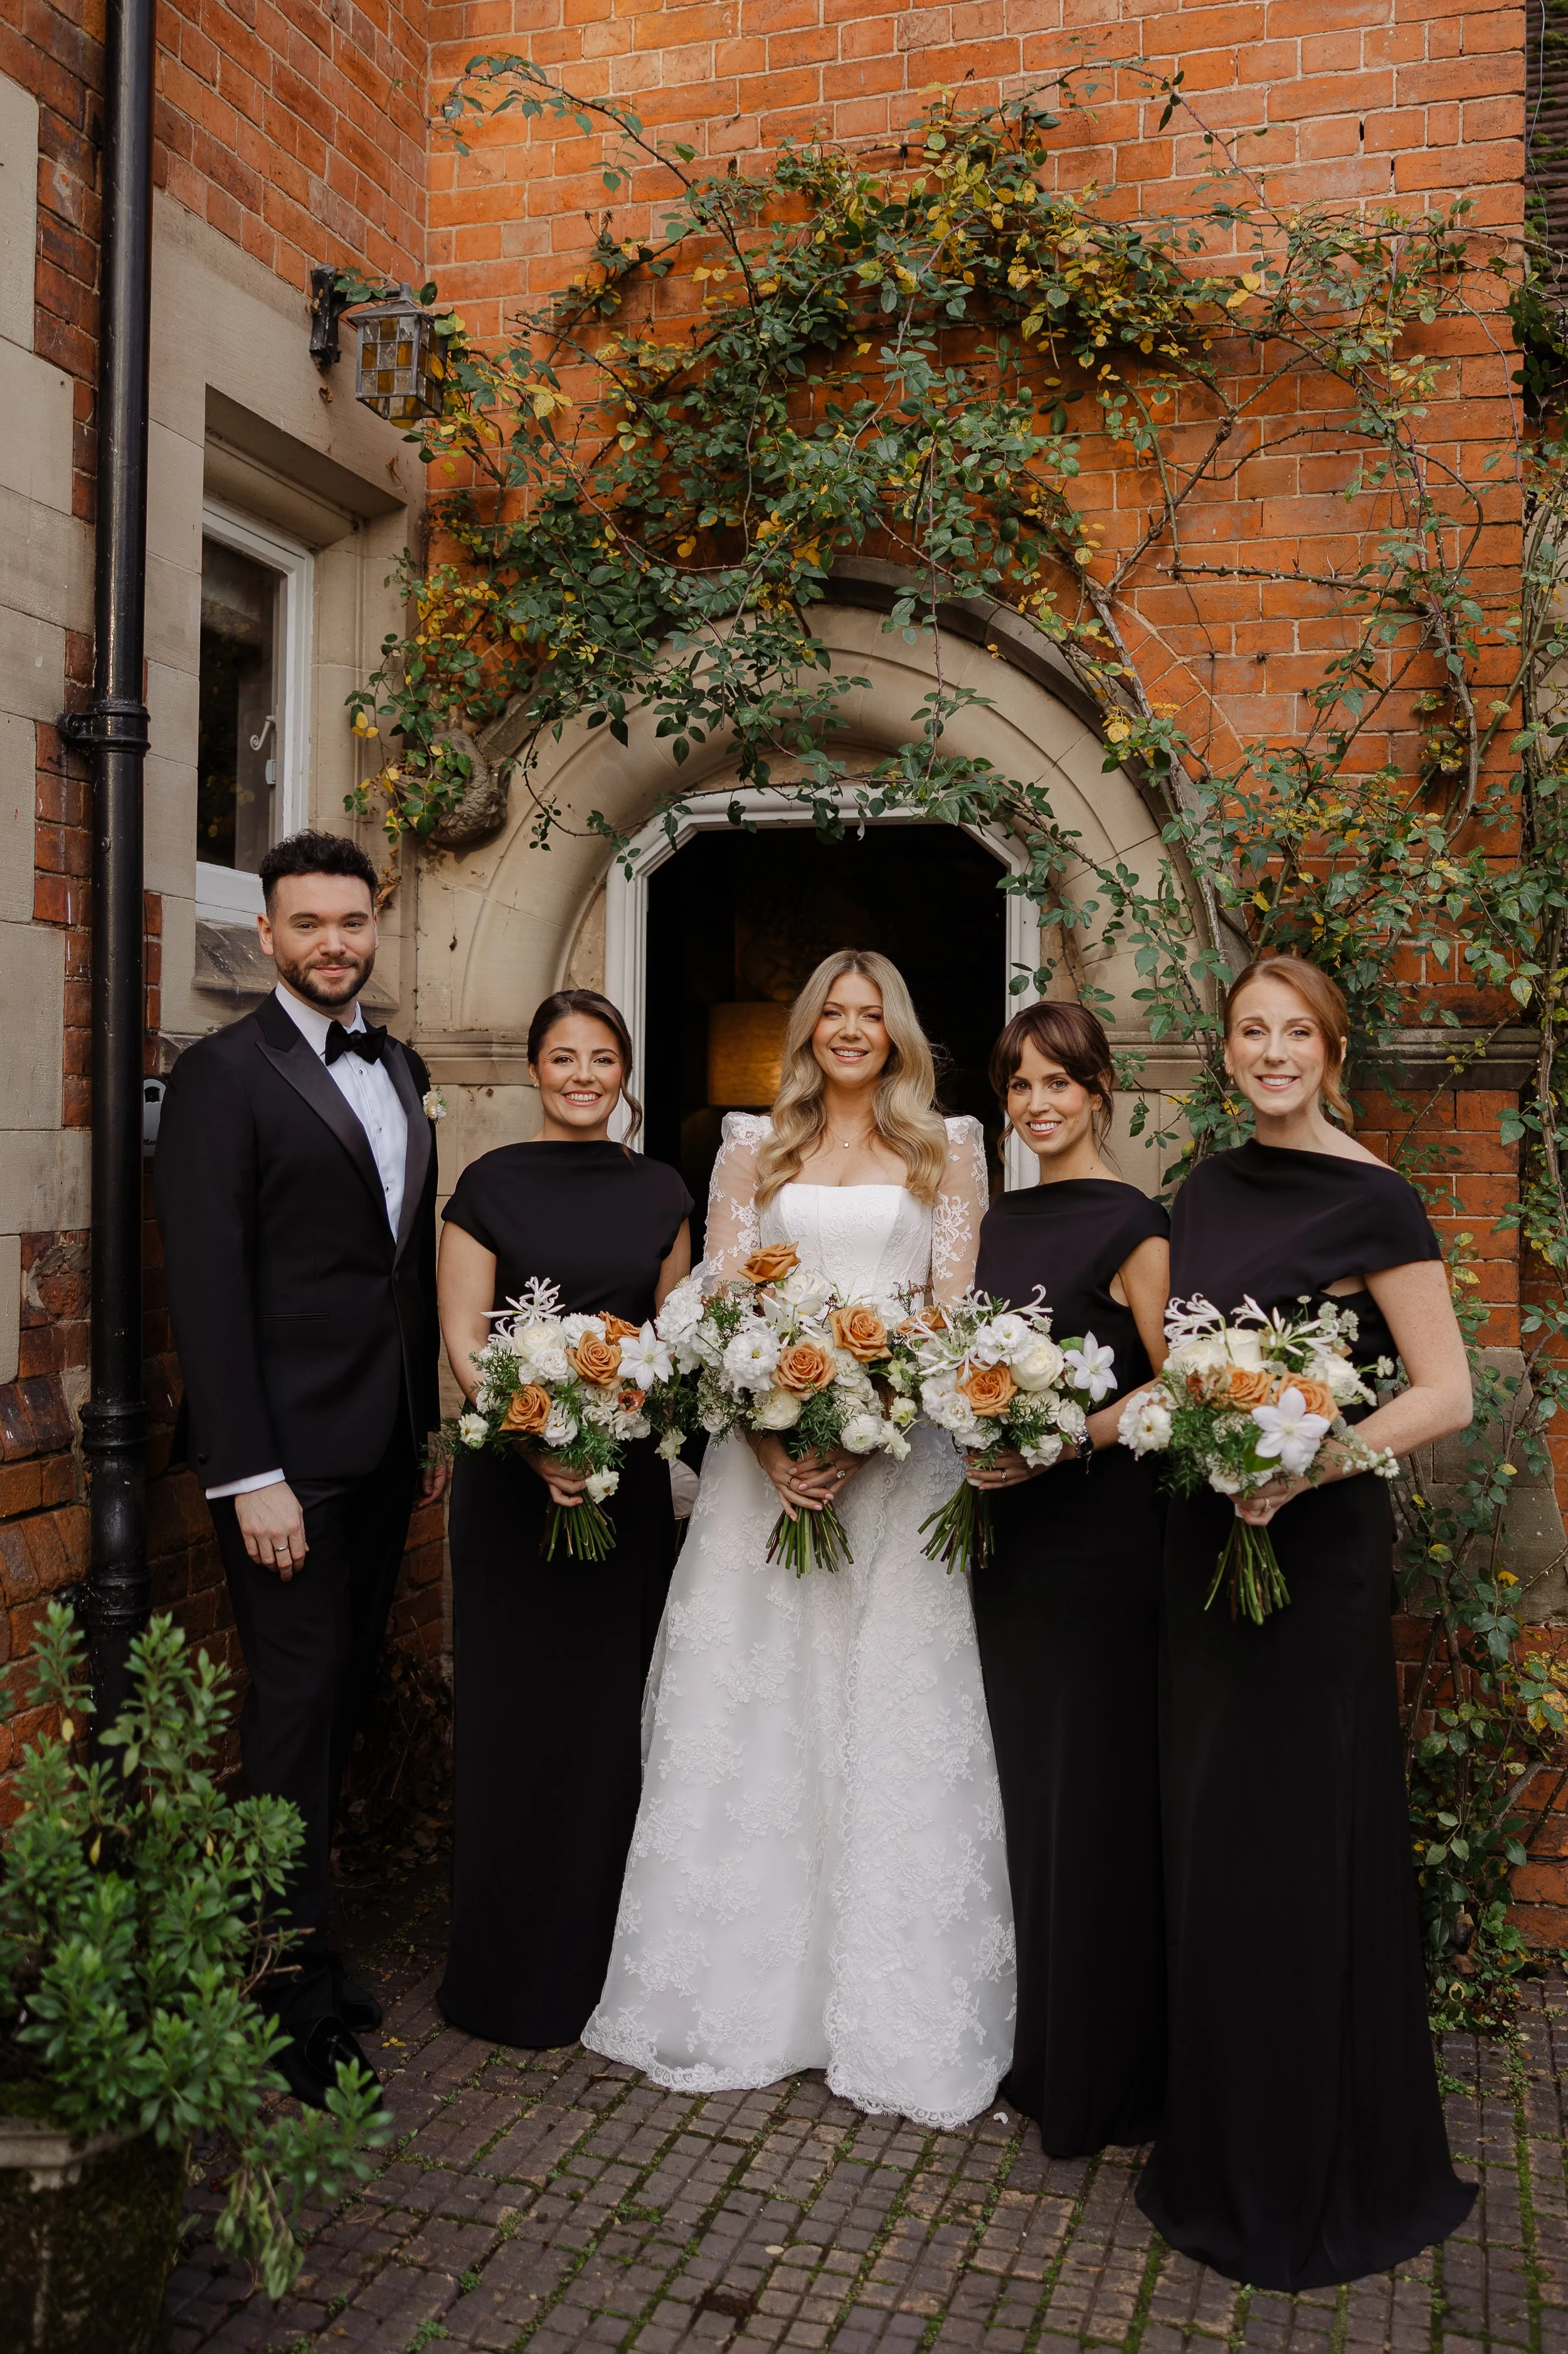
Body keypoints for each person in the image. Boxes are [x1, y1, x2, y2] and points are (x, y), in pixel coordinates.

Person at [584, 950, 1015, 2128]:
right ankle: (747, 1997)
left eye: (874, 1015)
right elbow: (723, 1303)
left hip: (895, 1469)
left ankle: (882, 2006)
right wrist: (775, 1442)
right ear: (807, 1029)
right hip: (761, 1470)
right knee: (759, 1712)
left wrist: (869, 1426)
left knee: (888, 1717)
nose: (853, 1030)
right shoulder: (748, 1146)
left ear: (899, 1033)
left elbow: (948, 1311)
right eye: (835, 1013)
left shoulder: (952, 1148)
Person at [1135, 952, 1476, 2288]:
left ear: (1331, 1052)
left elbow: (1441, 1390)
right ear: (1223, 1049)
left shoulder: (1374, 1197)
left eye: (1295, 1034)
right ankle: (1218, 2150)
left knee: (1296, 1848)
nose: (1270, 1052)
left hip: (1312, 1553)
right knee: (1213, 1840)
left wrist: (1310, 1458)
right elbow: (1188, 1357)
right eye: (1249, 1032)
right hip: (1205, 1551)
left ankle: (1317, 2166)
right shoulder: (1204, 1187)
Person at [156, 829, 444, 2107]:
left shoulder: (402, 1064)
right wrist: (247, 1470)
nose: (334, 941)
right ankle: (280, 1994)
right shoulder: (223, 1075)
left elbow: (402, 1264)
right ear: (265, 936)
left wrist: (422, 1430)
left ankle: (309, 1948)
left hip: (381, 1445)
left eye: (352, 920)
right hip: (284, 1461)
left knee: (332, 1703)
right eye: (308, 923)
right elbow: (206, 1290)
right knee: (288, 1705)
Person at [436, 991, 693, 2048]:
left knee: (608, 1725)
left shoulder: (665, 1191)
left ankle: (602, 1967)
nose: (583, 1076)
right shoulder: (486, 1187)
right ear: (533, 1069)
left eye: (602, 1058)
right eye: (562, 1057)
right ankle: (504, 1971)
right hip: (512, 1486)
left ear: (623, 1072)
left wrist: (613, 1424)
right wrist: (532, 1436)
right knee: (515, 1719)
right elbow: (463, 1340)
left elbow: (674, 1344)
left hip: (621, 1488)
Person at [966, 1002, 1170, 2156]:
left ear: (1100, 1090)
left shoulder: (1135, 1222)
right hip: (1012, 1547)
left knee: (1096, 1798)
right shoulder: (996, 1222)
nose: (1040, 1104)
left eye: (1061, 1083)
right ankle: (1047, 2051)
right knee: (1037, 1796)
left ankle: (1113, 2075)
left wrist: (1066, 1439)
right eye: (1023, 1086)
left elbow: (1175, 1380)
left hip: (1100, 1542)